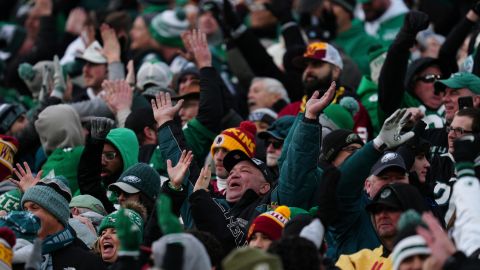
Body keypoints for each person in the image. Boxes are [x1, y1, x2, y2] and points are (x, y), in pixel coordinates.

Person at [336, 183, 428, 269]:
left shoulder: (430, 257)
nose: (382, 215)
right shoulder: (360, 259)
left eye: (391, 208)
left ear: (411, 212)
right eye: (377, 210)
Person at [21, 177, 106, 269]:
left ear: (56, 213)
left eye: (34, 207)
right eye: (25, 209)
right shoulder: (18, 255)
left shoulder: (88, 262)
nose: (27, 214)